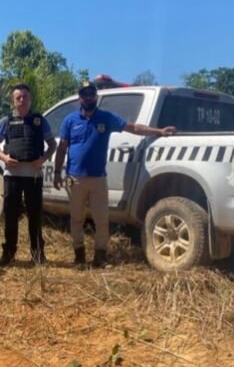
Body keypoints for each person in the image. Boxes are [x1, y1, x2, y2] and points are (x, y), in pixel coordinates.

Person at [53, 80, 176, 268]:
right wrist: (56, 172)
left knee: (101, 220)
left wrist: (158, 131)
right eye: (84, 94)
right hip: (74, 178)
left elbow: (132, 127)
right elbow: (62, 148)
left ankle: (100, 258)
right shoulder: (70, 120)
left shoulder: (106, 118)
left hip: (98, 179)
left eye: (91, 94)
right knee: (76, 219)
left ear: (96, 96)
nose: (88, 97)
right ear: (80, 98)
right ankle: (79, 256)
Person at [0, 84, 57, 265]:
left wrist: (43, 159)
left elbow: (52, 144)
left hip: (34, 175)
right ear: (13, 100)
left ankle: (38, 254)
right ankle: (8, 253)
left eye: (25, 97)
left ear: (30, 99)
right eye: (18, 97)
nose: (22, 100)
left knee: (35, 216)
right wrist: (4, 158)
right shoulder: (6, 121)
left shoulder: (40, 121)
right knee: (11, 215)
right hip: (12, 174)